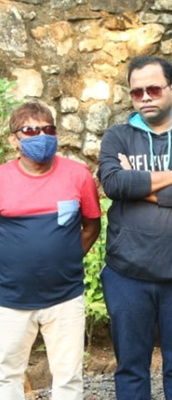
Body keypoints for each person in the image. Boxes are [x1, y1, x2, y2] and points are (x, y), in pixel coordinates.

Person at [97, 56, 172, 400]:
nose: (145, 97)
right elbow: (114, 185)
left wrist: (140, 187)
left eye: (153, 88)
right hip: (126, 275)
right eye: (137, 92)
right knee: (131, 369)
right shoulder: (118, 136)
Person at [0, 102, 101, 400]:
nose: (41, 136)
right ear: (13, 139)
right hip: (10, 300)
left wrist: (66, 260)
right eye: (30, 130)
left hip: (65, 298)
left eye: (48, 129)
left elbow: (91, 227)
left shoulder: (78, 175)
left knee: (68, 378)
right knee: (7, 377)